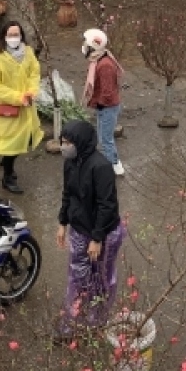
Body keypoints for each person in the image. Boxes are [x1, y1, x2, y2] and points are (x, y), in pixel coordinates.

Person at [56, 120, 124, 336]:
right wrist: (62, 223)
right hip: (79, 229)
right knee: (77, 274)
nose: (64, 146)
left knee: (101, 276)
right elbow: (68, 194)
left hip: (103, 232)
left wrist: (97, 238)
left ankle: (98, 318)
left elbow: (107, 205)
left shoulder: (101, 166)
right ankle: (73, 318)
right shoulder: (70, 163)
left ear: (80, 142)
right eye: (62, 142)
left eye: (68, 142)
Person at [0, 22, 43, 194]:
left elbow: (34, 73)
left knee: (22, 140)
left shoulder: (28, 53)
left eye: (16, 34)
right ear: (3, 36)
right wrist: (18, 97)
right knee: (11, 143)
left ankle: (7, 162)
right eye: (10, 35)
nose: (14, 38)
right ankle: (7, 177)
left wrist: (32, 91)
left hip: (26, 106)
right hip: (7, 109)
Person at [81, 28, 125, 176]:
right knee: (103, 137)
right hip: (105, 106)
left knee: (106, 139)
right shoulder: (98, 59)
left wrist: (99, 103)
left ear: (94, 45)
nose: (84, 47)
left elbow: (108, 91)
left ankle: (114, 165)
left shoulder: (104, 64)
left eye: (86, 44)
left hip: (108, 107)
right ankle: (110, 163)